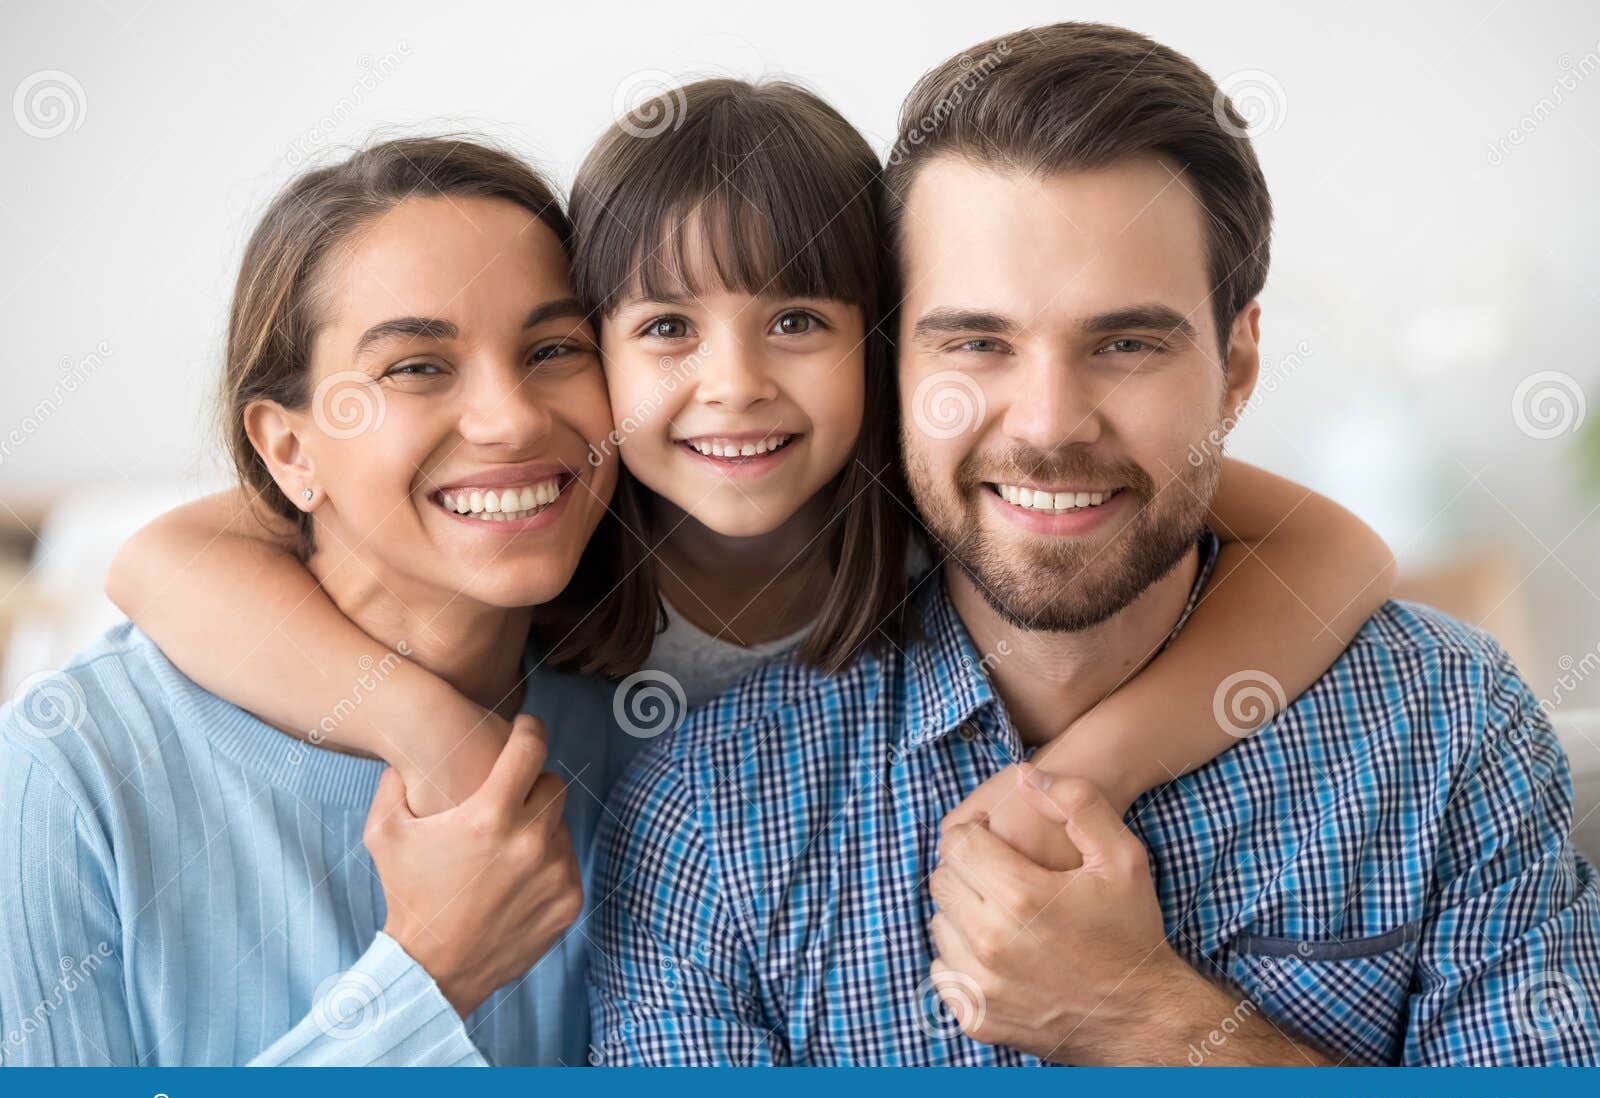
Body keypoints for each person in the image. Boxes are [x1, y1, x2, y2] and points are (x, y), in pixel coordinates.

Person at [587, 23, 1600, 1066]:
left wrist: (1145, 1016)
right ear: (893, 365)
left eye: (1124, 343)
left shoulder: (1448, 732)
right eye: (976, 341)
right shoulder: (708, 814)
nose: (1047, 424)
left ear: (1237, 362)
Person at [103, 79, 1393, 872]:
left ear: (883, 342)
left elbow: (1339, 552)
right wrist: (429, 729)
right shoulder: (560, 516)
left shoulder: (952, 479)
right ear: (594, 352)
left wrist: (1088, 772)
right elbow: (159, 558)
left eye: (796, 321)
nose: (732, 387)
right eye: (663, 328)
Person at [0, 138, 651, 1065]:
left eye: (554, 348)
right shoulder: (67, 775)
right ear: (289, 451)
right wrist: (430, 975)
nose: (511, 417)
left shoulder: (644, 741)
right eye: (416, 366)